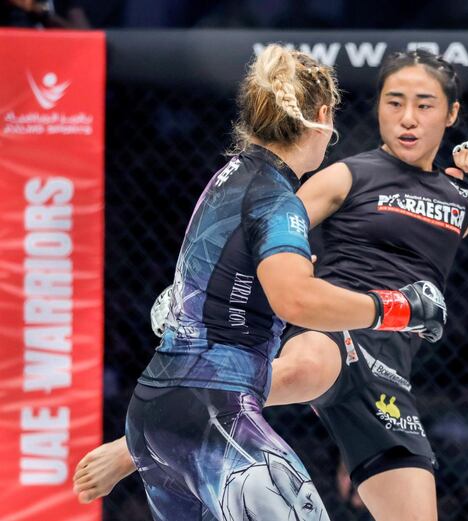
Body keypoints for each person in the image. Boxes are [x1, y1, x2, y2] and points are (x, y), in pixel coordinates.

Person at [74, 49, 468, 520]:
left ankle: (155, 433)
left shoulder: (461, 197)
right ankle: (141, 442)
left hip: (391, 374)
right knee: (310, 362)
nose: (408, 118)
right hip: (340, 333)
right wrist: (191, 292)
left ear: (451, 113)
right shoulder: (346, 176)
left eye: (424, 105)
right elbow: (258, 231)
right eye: (394, 103)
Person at [118, 45, 446, 521]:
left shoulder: (227, 178)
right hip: (214, 410)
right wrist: (401, 308)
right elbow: (297, 300)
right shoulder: (275, 196)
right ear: (323, 116)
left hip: (156, 411)